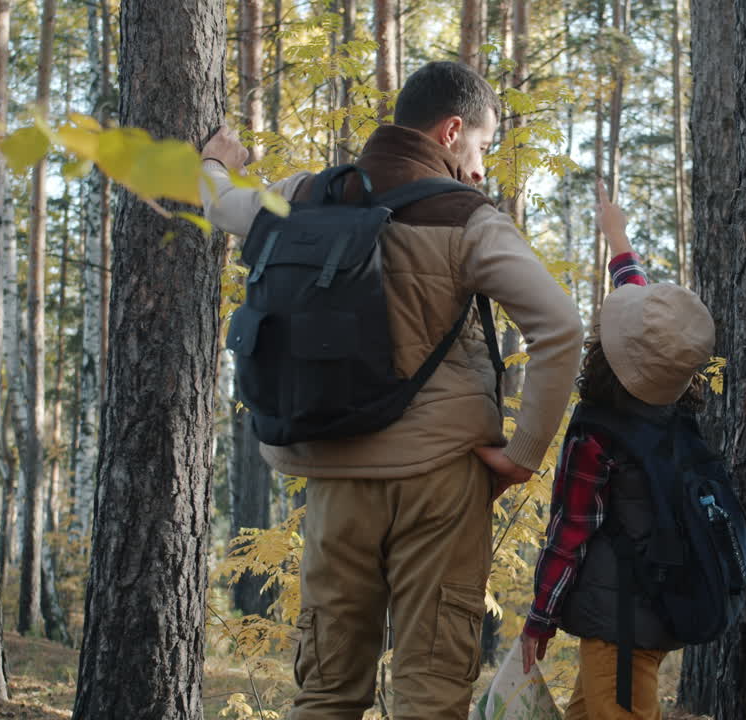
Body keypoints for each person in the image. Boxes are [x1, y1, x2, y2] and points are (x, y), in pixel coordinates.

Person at [200, 61, 584, 720]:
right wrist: (522, 455)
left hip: (333, 479)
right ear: (452, 130)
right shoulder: (468, 217)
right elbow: (559, 326)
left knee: (323, 691)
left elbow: (223, 205)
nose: (482, 166)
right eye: (483, 146)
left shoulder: (309, 194)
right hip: (439, 482)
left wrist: (214, 161)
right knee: (430, 696)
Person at [519, 181, 715, 720]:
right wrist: (617, 238)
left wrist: (540, 617)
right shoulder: (670, 405)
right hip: (657, 609)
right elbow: (654, 324)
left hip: (620, 627)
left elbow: (569, 532)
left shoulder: (597, 433)